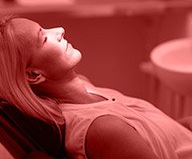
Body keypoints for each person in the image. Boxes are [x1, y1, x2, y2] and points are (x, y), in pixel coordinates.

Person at [1, 15, 192, 159]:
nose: (59, 30)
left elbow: (154, 135)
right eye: (43, 38)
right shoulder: (103, 128)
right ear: (34, 75)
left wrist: (182, 127)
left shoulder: (85, 86)